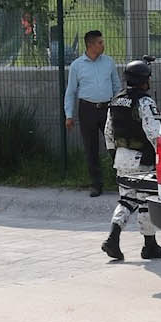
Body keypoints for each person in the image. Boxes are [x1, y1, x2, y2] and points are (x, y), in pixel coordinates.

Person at [100, 59, 161, 262]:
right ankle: (150, 246)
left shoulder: (116, 100)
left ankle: (113, 238)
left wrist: (114, 153)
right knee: (146, 201)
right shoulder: (144, 101)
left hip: (122, 158)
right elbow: (153, 133)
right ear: (143, 81)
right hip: (142, 159)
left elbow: (108, 131)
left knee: (126, 199)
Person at [64, 30, 119, 197]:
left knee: (115, 145)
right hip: (87, 109)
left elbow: (116, 86)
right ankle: (96, 184)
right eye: (100, 43)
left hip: (107, 109)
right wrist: (69, 115)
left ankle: (122, 181)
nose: (103, 45)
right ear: (90, 45)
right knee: (91, 148)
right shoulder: (77, 66)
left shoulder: (109, 62)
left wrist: (117, 108)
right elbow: (70, 91)